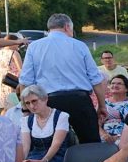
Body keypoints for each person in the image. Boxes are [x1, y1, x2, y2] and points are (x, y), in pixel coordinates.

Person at [19, 14, 107, 144]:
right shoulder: (80, 46)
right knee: (90, 144)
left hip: (49, 101)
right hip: (79, 101)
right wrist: (102, 105)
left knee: (50, 145)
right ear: (67, 27)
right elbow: (95, 79)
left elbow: (25, 82)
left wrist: (26, 108)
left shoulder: (34, 47)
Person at [18, 85, 72, 162]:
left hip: (57, 158)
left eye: (34, 101)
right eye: (28, 103)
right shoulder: (26, 120)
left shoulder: (61, 116)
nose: (32, 106)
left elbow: (56, 144)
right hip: (35, 157)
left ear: (45, 99)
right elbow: (26, 147)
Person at [0, 33, 22, 112]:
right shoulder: (14, 53)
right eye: (17, 44)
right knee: (13, 110)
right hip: (12, 84)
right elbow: (21, 70)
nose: (18, 46)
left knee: (1, 110)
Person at [101, 74, 128, 145]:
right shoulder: (103, 102)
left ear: (126, 89)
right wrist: (104, 135)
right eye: (113, 83)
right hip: (106, 137)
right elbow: (96, 123)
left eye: (119, 83)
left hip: (127, 137)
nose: (115, 85)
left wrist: (119, 136)